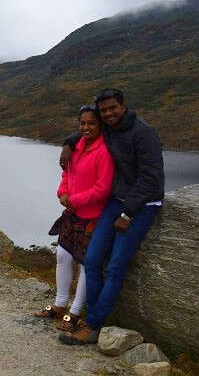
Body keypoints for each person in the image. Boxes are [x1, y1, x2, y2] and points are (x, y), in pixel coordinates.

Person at [58, 88, 165, 345]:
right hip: (115, 201)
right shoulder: (108, 128)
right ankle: (92, 317)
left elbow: (150, 178)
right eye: (104, 110)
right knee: (93, 260)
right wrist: (68, 144)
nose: (108, 113)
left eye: (112, 108)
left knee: (116, 266)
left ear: (123, 106)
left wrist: (128, 213)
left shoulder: (144, 133)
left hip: (141, 204)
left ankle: (93, 324)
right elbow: (85, 130)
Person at [34, 105, 114, 331]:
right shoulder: (76, 147)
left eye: (91, 123)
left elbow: (103, 188)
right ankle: (60, 305)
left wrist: (75, 199)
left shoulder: (104, 151)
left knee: (86, 263)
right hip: (74, 213)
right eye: (83, 123)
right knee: (63, 255)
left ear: (100, 125)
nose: (86, 127)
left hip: (93, 215)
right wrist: (63, 192)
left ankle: (75, 312)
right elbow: (67, 173)